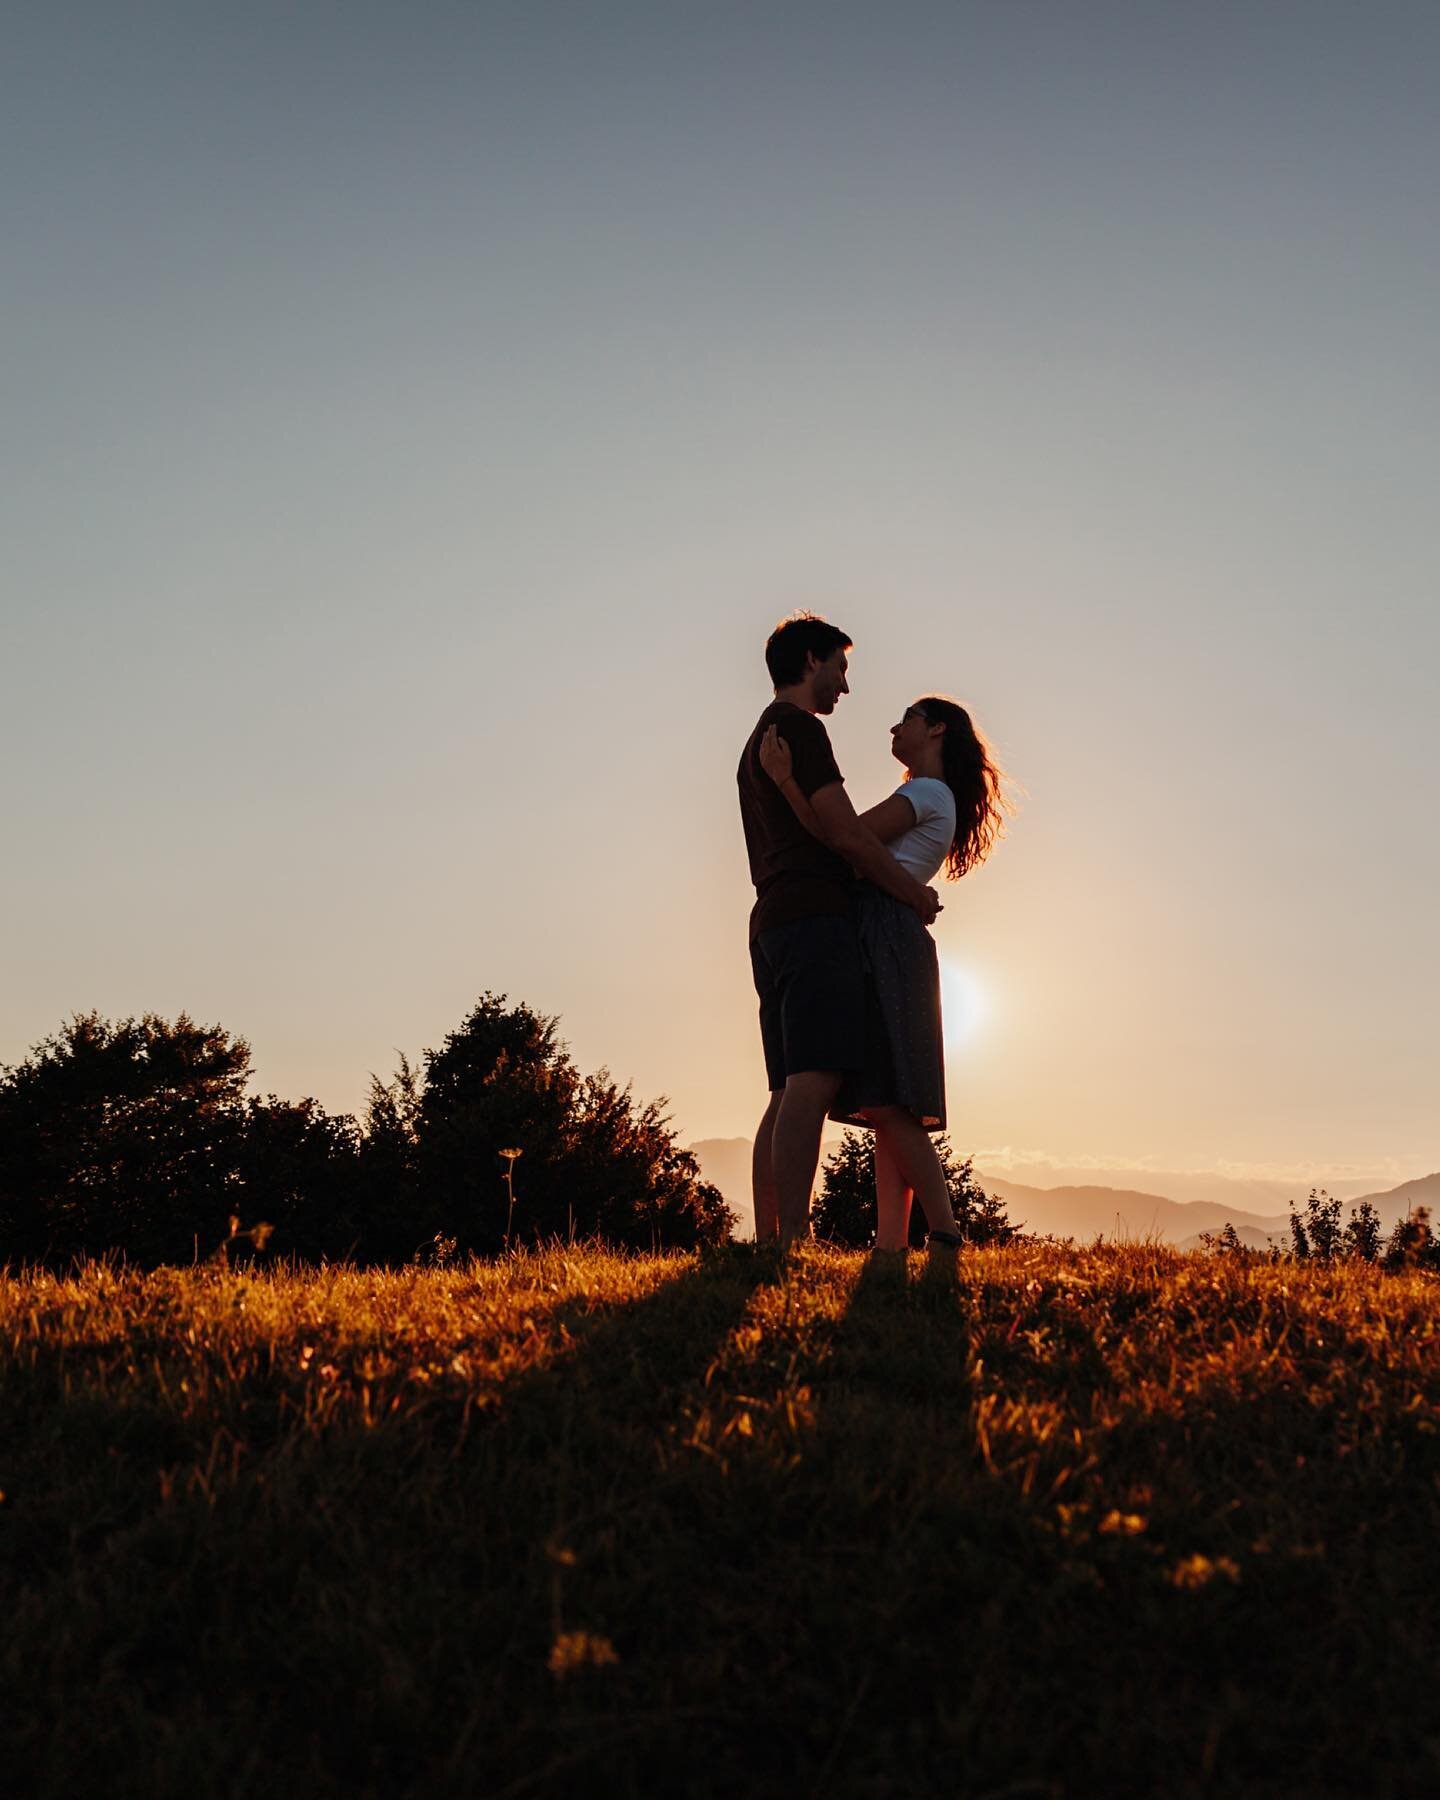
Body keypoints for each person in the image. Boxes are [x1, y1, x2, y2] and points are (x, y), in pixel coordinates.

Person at [760, 694, 1009, 1252]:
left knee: (892, 1100)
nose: (896, 727)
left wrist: (786, 784)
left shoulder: (923, 792)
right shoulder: (929, 794)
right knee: (885, 1099)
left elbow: (840, 841)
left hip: (883, 935)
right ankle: (893, 1245)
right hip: (889, 932)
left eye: (910, 719)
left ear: (938, 730)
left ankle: (942, 1231)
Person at [737, 615, 942, 1248]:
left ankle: (771, 1237)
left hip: (770, 919)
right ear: (809, 661)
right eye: (840, 668)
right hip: (812, 918)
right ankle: (792, 1238)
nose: (845, 687)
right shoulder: (800, 729)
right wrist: (911, 892)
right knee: (814, 1080)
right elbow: (846, 833)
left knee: (786, 1087)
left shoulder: (758, 740)